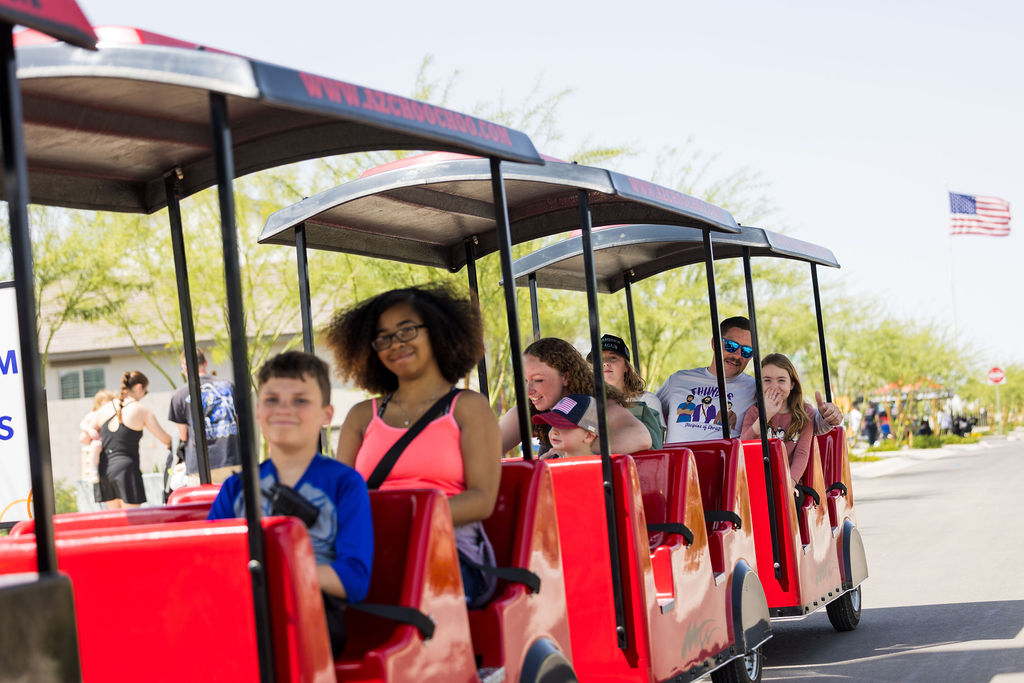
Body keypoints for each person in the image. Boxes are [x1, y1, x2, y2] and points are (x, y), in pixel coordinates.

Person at [326, 284, 502, 608]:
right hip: (373, 552)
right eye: (384, 337)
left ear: (436, 330)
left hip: (449, 552)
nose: (396, 344)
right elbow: (343, 498)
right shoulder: (361, 416)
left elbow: (482, 500)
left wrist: (405, 521)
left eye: (407, 330)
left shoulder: (469, 408)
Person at [207, 351, 371, 656]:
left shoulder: (345, 485)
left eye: (300, 400)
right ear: (258, 411)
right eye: (272, 400)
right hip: (241, 614)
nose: (284, 409)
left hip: (312, 617)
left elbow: (353, 580)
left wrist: (275, 571)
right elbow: (208, 564)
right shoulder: (236, 488)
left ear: (326, 415)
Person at [656, 316, 843, 443]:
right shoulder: (678, 380)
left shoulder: (757, 387)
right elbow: (651, 418)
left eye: (746, 351)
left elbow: (801, 417)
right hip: (678, 471)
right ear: (715, 344)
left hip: (727, 473)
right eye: (730, 346)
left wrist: (828, 417)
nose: (737, 355)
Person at [499, 337, 652, 458]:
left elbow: (641, 436)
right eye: (526, 381)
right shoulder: (531, 410)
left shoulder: (595, 406)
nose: (529, 391)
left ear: (565, 377)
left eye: (538, 380)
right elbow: (488, 449)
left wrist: (576, 451)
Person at [92, 371, 172, 509]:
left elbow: (87, 434)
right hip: (126, 469)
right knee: (132, 523)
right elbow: (164, 438)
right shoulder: (141, 410)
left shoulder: (104, 409)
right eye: (145, 392)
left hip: (105, 469)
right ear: (138, 387)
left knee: (115, 522)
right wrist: (175, 441)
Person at [168, 348, 241, 485]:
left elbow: (183, 436)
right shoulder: (228, 386)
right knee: (235, 504)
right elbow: (239, 422)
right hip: (232, 457)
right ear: (206, 363)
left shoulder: (179, 395)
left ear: (184, 367)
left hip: (200, 465)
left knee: (204, 505)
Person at [740, 354, 816, 484]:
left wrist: (790, 483)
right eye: (767, 380)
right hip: (759, 481)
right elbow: (743, 447)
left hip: (790, 481)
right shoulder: (753, 412)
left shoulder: (806, 412)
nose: (774, 387)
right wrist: (766, 415)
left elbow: (801, 453)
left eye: (781, 380)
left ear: (792, 384)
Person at [587, 334, 665, 448]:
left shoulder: (647, 401)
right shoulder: (586, 402)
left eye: (613, 357)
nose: (605, 363)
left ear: (626, 367)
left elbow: (654, 448)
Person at [532, 394, 600, 459]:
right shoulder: (550, 462)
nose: (554, 431)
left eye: (562, 426)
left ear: (588, 436)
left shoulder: (602, 468)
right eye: (552, 425)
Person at [79, 389, 115, 484]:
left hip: (106, 442)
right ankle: (93, 470)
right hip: (96, 440)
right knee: (96, 445)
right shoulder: (93, 414)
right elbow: (83, 423)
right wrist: (90, 430)